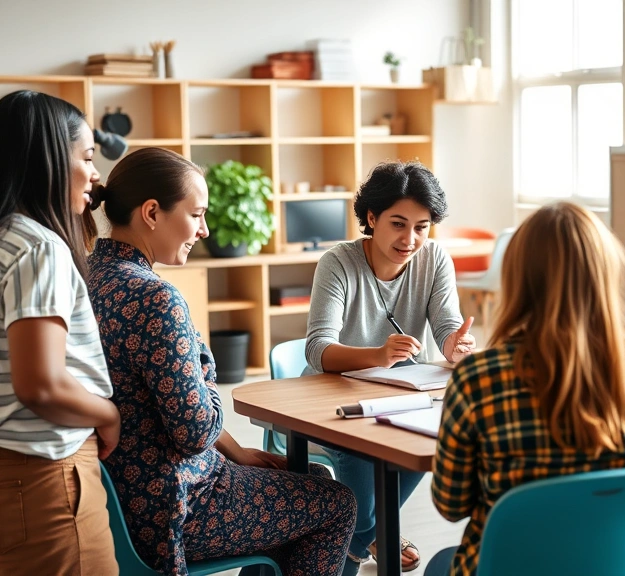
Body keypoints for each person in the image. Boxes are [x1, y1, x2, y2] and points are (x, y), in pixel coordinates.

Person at [87, 147, 357, 575]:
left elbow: (167, 406)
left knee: (310, 488)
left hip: (115, 498)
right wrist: (209, 378)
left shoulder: (89, 277)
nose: (205, 230)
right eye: (197, 215)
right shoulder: (156, 298)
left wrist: (236, 452)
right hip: (176, 506)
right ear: (152, 213)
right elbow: (194, 430)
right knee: (336, 502)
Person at [426, 202, 625, 576]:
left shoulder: (478, 378)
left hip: (512, 566)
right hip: (623, 567)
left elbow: (451, 505)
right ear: (605, 274)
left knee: (440, 564)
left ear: (517, 278)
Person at [305, 161, 476, 574]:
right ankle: (370, 537)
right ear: (371, 218)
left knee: (429, 447)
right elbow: (317, 349)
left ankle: (362, 541)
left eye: (422, 226)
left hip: (398, 396)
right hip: (331, 401)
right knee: (362, 511)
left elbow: (447, 327)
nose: (410, 239)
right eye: (398, 224)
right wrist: (377, 355)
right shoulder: (338, 262)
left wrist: (457, 345)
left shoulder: (434, 259)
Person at [0, 90, 119, 574]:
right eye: (87, 157)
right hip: (45, 477)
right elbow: (42, 384)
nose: (95, 174)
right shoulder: (38, 248)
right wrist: (108, 413)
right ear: (46, 159)